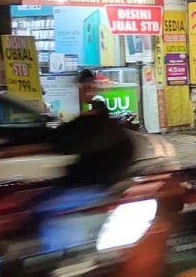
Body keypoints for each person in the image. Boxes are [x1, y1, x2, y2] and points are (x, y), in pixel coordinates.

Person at [35, 70, 136, 252]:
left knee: (43, 208)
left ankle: (51, 255)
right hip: (94, 182)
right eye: (83, 88)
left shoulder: (93, 123)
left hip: (92, 186)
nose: (84, 91)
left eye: (86, 87)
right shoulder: (92, 120)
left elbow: (66, 142)